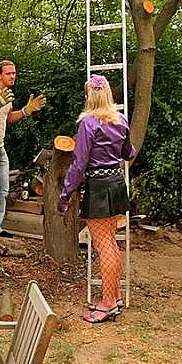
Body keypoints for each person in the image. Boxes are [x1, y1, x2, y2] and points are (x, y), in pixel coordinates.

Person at [58, 74, 137, 324]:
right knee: (110, 244)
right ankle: (114, 297)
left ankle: (108, 303)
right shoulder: (121, 120)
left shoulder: (89, 124)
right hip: (115, 184)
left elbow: (79, 164)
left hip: (99, 187)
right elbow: (129, 152)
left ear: (89, 96)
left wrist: (65, 194)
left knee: (104, 246)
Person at [0, 60, 46, 238]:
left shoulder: (7, 94)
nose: (12, 76)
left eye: (14, 73)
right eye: (8, 73)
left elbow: (7, 118)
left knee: (3, 190)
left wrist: (26, 111)